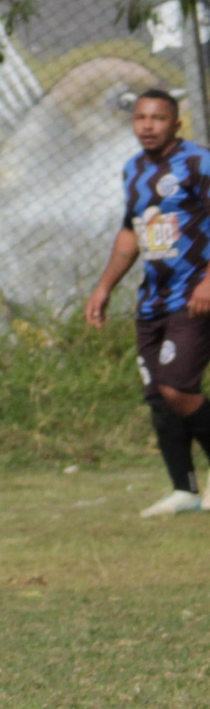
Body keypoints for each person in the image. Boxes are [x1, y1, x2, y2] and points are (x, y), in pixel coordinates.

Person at [84, 83, 210, 518]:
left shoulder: (197, 162)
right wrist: (105, 286)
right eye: (141, 118)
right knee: (159, 395)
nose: (148, 126)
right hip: (152, 300)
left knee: (177, 387)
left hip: (192, 297)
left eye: (157, 118)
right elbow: (131, 232)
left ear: (175, 123)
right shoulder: (134, 170)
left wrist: (209, 280)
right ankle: (185, 491)